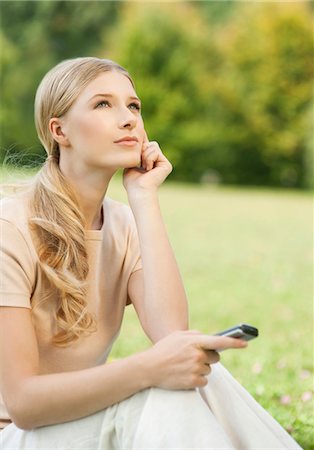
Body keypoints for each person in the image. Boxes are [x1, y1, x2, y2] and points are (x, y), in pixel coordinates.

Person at [0, 57, 302, 450]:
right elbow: (24, 404)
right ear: (60, 130)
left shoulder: (123, 224)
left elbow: (171, 333)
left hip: (72, 424)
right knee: (161, 386)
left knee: (198, 375)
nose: (128, 119)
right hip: (14, 434)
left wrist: (144, 198)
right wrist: (147, 368)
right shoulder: (11, 227)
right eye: (103, 104)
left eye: (133, 106)